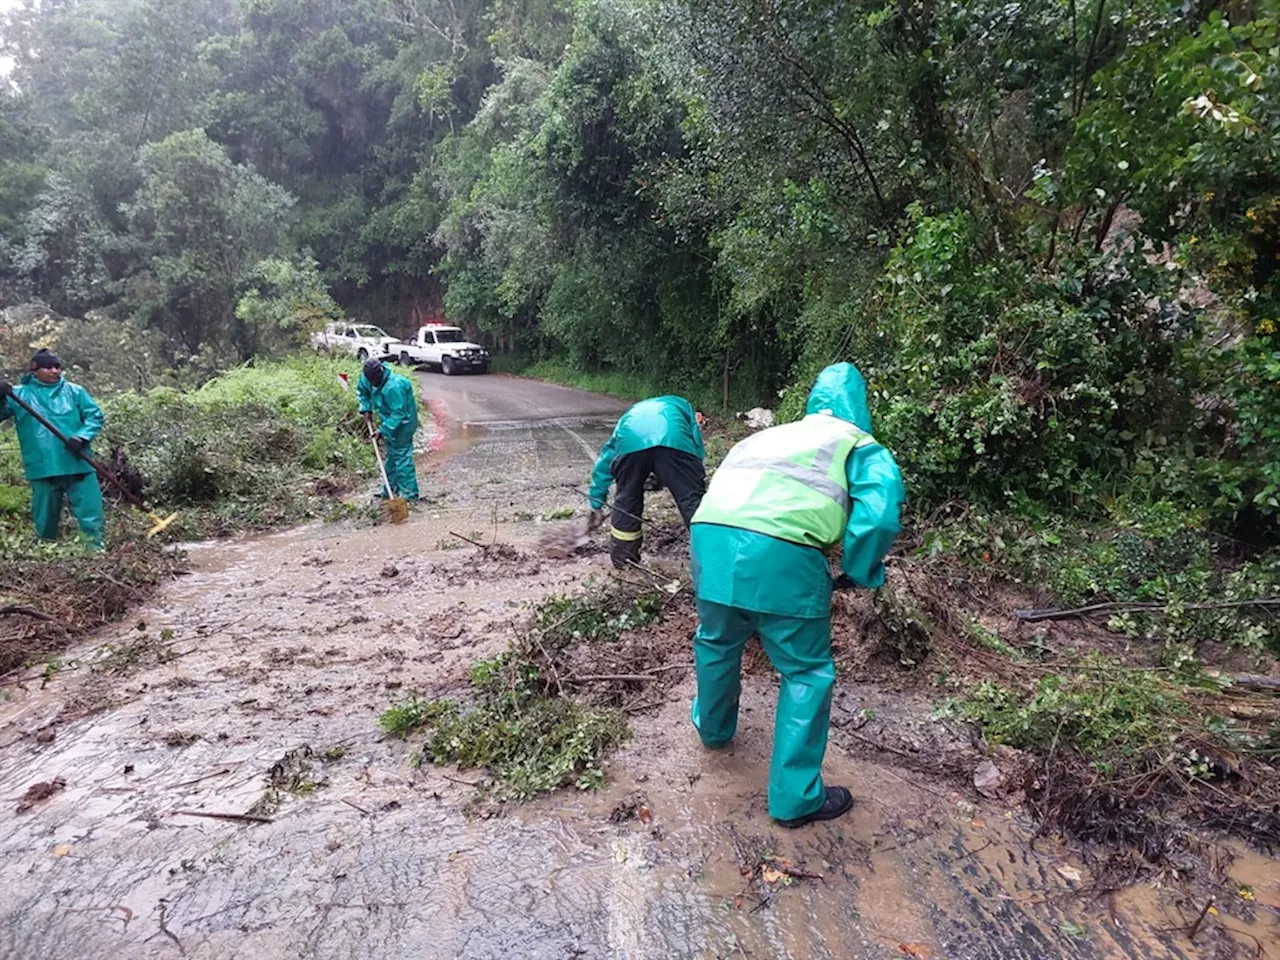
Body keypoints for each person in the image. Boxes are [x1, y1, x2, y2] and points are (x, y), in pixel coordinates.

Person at [688, 363, 905, 827]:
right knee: (805, 671)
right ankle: (794, 799)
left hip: (711, 538)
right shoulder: (857, 443)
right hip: (782, 553)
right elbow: (881, 516)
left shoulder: (765, 437)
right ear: (860, 409)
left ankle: (713, 728)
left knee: (716, 640)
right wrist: (861, 571)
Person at [0, 349, 106, 549]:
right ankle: (46, 555)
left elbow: (95, 416)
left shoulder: (75, 391)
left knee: (90, 512)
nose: (55, 371)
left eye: (57, 367)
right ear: (35, 370)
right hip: (42, 464)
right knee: (45, 517)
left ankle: (95, 552)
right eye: (48, 367)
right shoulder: (18, 394)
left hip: (78, 460)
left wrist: (82, 437)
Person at [587, 396, 706, 568]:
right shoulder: (685, 406)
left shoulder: (630, 415)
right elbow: (696, 445)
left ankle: (624, 559)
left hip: (630, 443)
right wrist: (693, 478)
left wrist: (596, 501)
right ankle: (711, 556)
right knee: (691, 501)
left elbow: (607, 457)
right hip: (673, 440)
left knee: (627, 501)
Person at [357, 358, 420, 501]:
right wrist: (366, 408)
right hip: (387, 419)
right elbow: (363, 392)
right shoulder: (367, 378)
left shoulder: (394, 386)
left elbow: (399, 413)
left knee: (402, 457)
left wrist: (382, 430)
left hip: (404, 422)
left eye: (375, 380)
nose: (372, 383)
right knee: (392, 456)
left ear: (380, 373)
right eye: (370, 380)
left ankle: (409, 494)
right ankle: (390, 489)